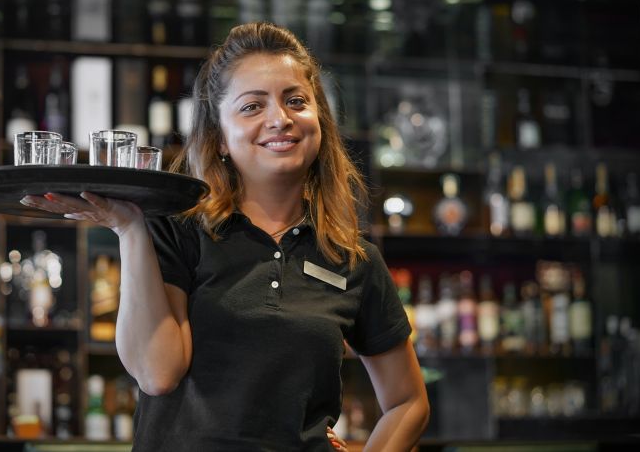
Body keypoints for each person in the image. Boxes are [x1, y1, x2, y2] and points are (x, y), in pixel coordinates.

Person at [21, 22, 429, 451]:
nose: (280, 118)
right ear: (218, 139)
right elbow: (158, 373)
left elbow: (408, 401)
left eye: (296, 101)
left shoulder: (351, 258)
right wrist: (128, 228)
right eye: (252, 106)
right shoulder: (176, 228)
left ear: (319, 122)